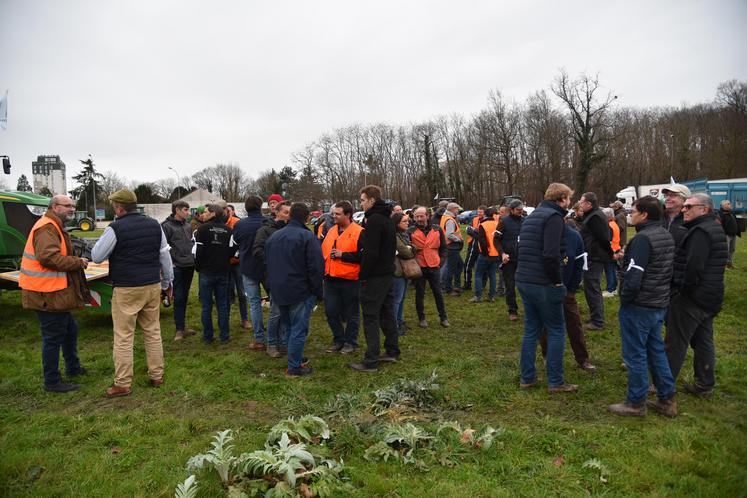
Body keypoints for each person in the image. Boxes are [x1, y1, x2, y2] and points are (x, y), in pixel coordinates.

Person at [92, 189, 173, 397]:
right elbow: (165, 257)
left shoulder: (115, 228)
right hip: (152, 285)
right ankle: (157, 375)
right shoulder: (155, 225)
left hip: (127, 287)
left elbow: (97, 256)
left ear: (119, 207)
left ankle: (123, 383)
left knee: (123, 336)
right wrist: (166, 283)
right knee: (153, 331)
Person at [609, 196, 677, 417]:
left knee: (635, 354)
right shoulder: (665, 234)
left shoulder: (642, 240)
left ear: (645, 215)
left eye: (634, 211)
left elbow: (634, 276)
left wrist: (625, 299)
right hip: (658, 302)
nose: (630, 215)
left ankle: (636, 402)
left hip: (640, 304)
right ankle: (667, 399)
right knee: (656, 350)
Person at [20, 195, 90, 393]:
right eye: (67, 205)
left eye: (73, 206)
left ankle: (73, 368)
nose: (71, 209)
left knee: (70, 330)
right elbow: (48, 257)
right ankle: (52, 381)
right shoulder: (47, 227)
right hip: (45, 292)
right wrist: (78, 262)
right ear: (54, 206)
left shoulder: (54, 225)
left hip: (52, 291)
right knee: (52, 338)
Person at [515, 183, 578, 393]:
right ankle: (556, 381)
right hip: (544, 282)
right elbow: (551, 254)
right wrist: (558, 281)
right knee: (557, 330)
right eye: (568, 198)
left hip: (524, 279)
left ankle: (527, 378)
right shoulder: (553, 218)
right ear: (562, 199)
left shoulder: (531, 216)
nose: (570, 202)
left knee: (531, 330)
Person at [666, 193, 727, 398]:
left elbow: (694, 267)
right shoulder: (714, 228)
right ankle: (704, 385)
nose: (684, 210)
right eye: (684, 206)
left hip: (693, 297)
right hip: (710, 296)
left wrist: (683, 291)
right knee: (703, 341)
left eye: (689, 207)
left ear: (704, 209)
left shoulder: (700, 231)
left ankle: (663, 387)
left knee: (675, 342)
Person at [265, 202, 324, 377]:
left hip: (279, 289)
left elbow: (267, 264)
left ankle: (295, 358)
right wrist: (316, 290)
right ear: (307, 217)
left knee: (289, 326)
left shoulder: (274, 237)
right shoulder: (307, 237)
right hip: (300, 290)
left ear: (290, 216)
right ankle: (294, 368)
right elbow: (316, 266)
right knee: (299, 328)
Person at [349, 185, 400, 372]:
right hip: (388, 273)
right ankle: (392, 351)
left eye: (362, 200)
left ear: (371, 200)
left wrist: (363, 275)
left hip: (375, 276)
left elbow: (370, 253)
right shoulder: (386, 218)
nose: (361, 203)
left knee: (371, 316)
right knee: (387, 314)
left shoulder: (374, 220)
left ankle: (371, 360)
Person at [539, 222, 597, 374]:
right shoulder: (541, 234)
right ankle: (547, 356)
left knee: (574, 323)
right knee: (546, 325)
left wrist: (571, 289)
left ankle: (583, 359)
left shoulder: (573, 236)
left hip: (566, 289)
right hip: (545, 288)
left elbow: (579, 264)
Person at [321, 201, 363, 355]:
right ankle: (338, 339)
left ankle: (350, 342)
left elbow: (364, 256)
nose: (333, 216)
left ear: (348, 215)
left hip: (350, 279)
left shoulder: (359, 231)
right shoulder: (331, 230)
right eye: (333, 213)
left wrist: (343, 255)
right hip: (330, 278)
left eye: (337, 214)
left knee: (352, 313)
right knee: (330, 311)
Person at [252, 200, 291, 357]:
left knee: (287, 312)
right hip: (274, 276)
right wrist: (273, 262)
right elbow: (257, 250)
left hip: (291, 277)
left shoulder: (292, 229)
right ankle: (272, 344)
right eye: (286, 212)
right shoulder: (265, 230)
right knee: (276, 311)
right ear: (277, 212)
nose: (289, 216)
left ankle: (284, 341)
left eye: (291, 213)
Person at [194, 204, 234, 344]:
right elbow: (233, 250)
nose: (203, 214)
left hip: (206, 272)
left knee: (206, 306)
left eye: (205, 212)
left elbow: (198, 251)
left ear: (212, 213)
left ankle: (208, 336)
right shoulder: (228, 230)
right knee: (223, 305)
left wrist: (198, 267)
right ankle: (224, 336)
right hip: (223, 271)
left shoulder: (202, 229)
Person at [232, 196, 268, 350]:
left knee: (254, 304)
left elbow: (235, 244)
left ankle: (259, 339)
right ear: (260, 206)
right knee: (277, 302)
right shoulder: (268, 222)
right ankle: (277, 336)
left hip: (248, 267)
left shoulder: (240, 225)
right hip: (268, 266)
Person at [578, 192, 616, 330]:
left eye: (582, 202)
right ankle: (595, 316)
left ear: (589, 204)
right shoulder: (592, 216)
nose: (580, 204)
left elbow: (604, 238)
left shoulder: (595, 217)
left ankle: (598, 321)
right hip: (592, 256)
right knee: (590, 287)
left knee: (593, 287)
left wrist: (610, 253)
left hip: (595, 256)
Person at [409, 206, 450, 329]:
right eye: (416, 216)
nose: (419, 219)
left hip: (434, 266)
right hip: (419, 266)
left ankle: (443, 317)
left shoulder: (437, 229)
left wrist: (441, 262)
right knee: (419, 294)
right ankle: (421, 318)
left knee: (438, 293)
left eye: (422, 216)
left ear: (427, 216)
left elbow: (444, 248)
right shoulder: (410, 231)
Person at [162, 200, 197, 341]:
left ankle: (183, 326)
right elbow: (163, 248)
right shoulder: (166, 226)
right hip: (176, 266)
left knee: (185, 296)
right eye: (186, 210)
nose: (188, 213)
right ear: (177, 210)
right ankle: (179, 330)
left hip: (189, 265)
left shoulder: (188, 226)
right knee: (178, 297)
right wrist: (173, 262)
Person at [224, 203, 250, 331]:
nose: (226, 213)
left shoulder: (237, 222)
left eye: (228, 210)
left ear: (231, 211)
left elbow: (241, 241)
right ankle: (226, 318)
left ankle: (244, 318)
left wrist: (238, 255)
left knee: (241, 292)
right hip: (224, 264)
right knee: (227, 292)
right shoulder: (219, 225)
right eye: (224, 210)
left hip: (237, 263)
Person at [499, 199, 524, 320]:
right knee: (510, 285)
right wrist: (502, 253)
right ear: (512, 210)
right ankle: (512, 310)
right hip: (508, 259)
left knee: (525, 285)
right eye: (518, 210)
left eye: (522, 210)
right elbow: (495, 240)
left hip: (523, 258)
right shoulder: (503, 221)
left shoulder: (525, 221)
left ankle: (530, 309)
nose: (521, 212)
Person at [392, 211, 416, 336]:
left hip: (404, 271)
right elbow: (406, 252)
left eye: (408, 221)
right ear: (397, 223)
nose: (408, 223)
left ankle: (400, 321)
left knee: (401, 299)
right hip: (397, 272)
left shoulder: (403, 234)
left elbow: (412, 248)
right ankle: (394, 326)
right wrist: (410, 249)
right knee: (396, 300)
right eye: (404, 221)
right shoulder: (394, 236)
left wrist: (410, 248)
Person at [470, 207, 501, 303]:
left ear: (485, 215)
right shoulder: (498, 224)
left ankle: (478, 296)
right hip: (496, 254)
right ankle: (491, 296)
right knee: (492, 275)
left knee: (478, 274)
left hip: (485, 254)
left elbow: (482, 241)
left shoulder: (482, 225)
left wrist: (484, 253)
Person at [440, 202, 464, 296]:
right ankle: (449, 289)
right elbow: (449, 235)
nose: (458, 211)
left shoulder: (445, 217)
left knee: (459, 265)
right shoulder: (450, 220)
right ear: (453, 209)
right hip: (452, 247)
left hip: (450, 247)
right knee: (451, 268)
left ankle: (456, 286)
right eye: (457, 209)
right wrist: (458, 239)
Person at [463, 205, 486, 291]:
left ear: (485, 212)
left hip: (483, 246)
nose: (479, 213)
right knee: (468, 265)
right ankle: (467, 284)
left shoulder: (487, 220)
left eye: (481, 212)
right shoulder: (475, 219)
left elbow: (485, 234)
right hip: (473, 244)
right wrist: (476, 233)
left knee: (482, 266)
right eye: (478, 211)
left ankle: (482, 285)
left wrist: (477, 233)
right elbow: (468, 228)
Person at [661, 184, 691, 248]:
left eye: (672, 195)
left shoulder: (691, 219)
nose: (667, 198)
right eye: (666, 196)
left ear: (685, 199)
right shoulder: (657, 217)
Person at [602, 207, 621, 298]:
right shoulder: (614, 224)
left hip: (611, 251)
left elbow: (608, 240)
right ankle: (614, 289)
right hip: (616, 249)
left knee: (609, 271)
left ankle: (610, 289)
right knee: (613, 270)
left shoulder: (608, 225)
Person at [717, 199, 741, 268]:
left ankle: (729, 264)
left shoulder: (731, 213)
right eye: (728, 204)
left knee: (732, 249)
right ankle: (723, 265)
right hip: (726, 235)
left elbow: (736, 222)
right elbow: (720, 225)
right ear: (723, 206)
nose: (730, 205)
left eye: (729, 203)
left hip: (733, 235)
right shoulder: (720, 214)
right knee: (725, 250)